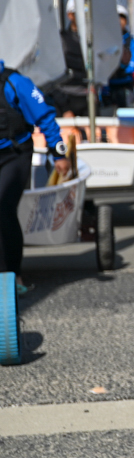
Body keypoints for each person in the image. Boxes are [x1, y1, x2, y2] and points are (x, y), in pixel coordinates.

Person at [1, 60, 71, 291]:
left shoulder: (15, 82)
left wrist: (58, 152)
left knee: (2, 206)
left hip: (14, 154)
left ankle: (12, 274)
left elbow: (44, 117)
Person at [108, 5, 134, 108]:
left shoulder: (132, 40)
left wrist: (124, 67)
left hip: (126, 84)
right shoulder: (107, 40)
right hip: (109, 84)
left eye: (122, 18)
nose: (119, 21)